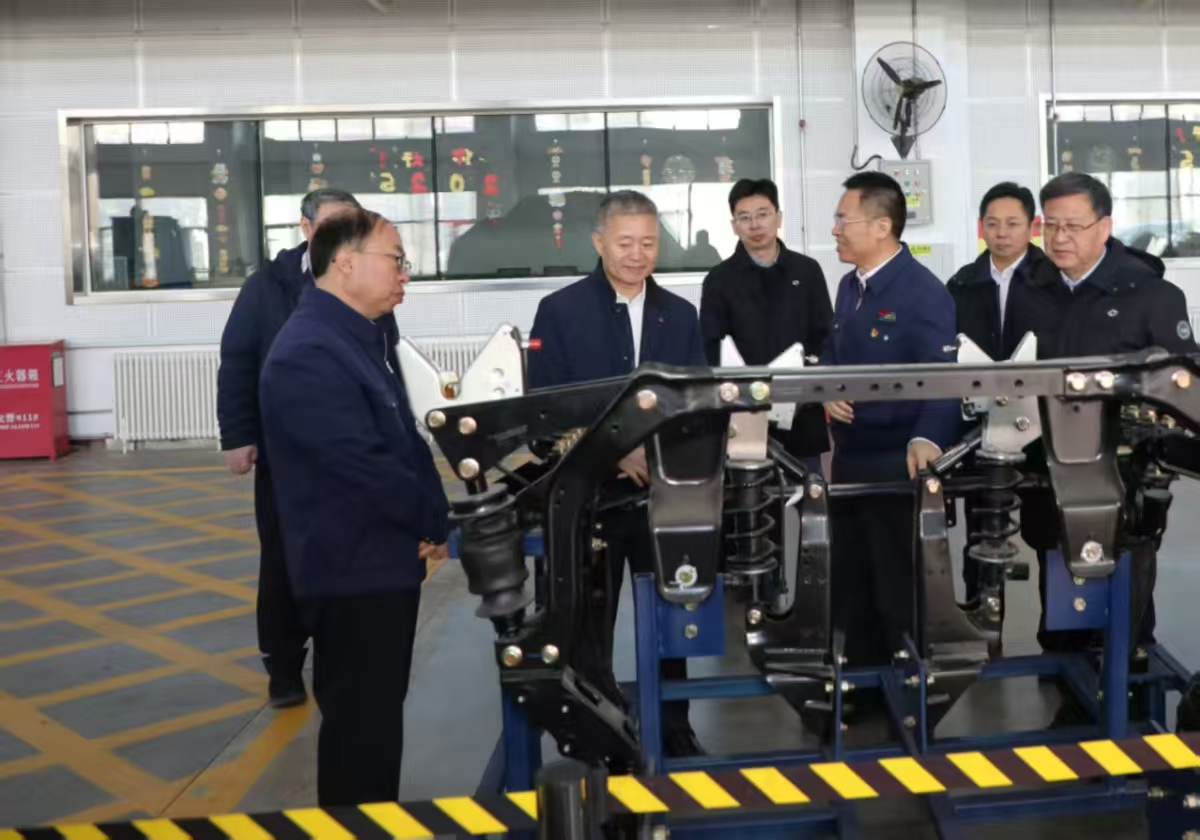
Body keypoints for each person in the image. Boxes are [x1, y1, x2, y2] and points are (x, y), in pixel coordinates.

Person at [259, 209, 449, 807]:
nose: (404, 275)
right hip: (352, 572)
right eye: (396, 260)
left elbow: (404, 441)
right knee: (360, 731)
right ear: (345, 263)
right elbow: (362, 467)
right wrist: (430, 520)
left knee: (375, 721)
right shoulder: (310, 351)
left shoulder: (356, 335)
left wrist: (433, 517)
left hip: (379, 561)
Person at [527, 190, 707, 757]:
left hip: (661, 499)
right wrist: (612, 452)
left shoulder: (680, 314)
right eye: (625, 242)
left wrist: (656, 455)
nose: (637, 254)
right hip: (589, 500)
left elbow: (694, 403)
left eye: (648, 243)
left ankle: (674, 726)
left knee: (671, 617)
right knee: (589, 623)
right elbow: (545, 410)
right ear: (599, 242)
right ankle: (598, 732)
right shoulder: (560, 312)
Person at [1007, 172, 1195, 656]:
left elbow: (1183, 388)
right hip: (1047, 466)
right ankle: (1064, 670)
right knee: (1058, 587)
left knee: (1122, 599)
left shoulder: (1151, 295)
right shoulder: (1031, 289)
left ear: (1105, 227)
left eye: (1073, 226)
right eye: (1051, 226)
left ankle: (1125, 672)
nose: (1059, 238)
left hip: (1123, 476)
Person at [217, 188, 363, 708]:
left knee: (345, 557)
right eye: (332, 225)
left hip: (350, 453)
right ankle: (283, 668)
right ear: (305, 228)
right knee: (283, 561)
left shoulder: (364, 281)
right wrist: (238, 435)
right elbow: (237, 360)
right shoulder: (268, 286)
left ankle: (338, 661)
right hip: (285, 455)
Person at [820, 171, 960, 675]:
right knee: (851, 577)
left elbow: (943, 376)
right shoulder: (848, 286)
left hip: (897, 460)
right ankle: (859, 683)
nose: (835, 229)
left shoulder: (923, 292)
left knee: (895, 580)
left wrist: (926, 439)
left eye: (844, 219)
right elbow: (834, 354)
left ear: (882, 226)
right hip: (850, 457)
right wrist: (828, 389)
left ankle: (909, 685)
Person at [947, 182, 1056, 602]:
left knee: (1049, 532)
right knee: (982, 531)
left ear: (1032, 226)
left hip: (1043, 426)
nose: (1002, 233)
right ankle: (982, 619)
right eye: (992, 224)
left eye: (1012, 223)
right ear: (981, 228)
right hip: (980, 426)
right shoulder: (962, 283)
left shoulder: (1056, 280)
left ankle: (1056, 631)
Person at [700, 178, 833, 472]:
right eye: (744, 218)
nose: (755, 225)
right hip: (743, 413)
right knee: (749, 496)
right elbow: (711, 349)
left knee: (809, 490)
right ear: (734, 225)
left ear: (778, 217)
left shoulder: (807, 271)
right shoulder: (719, 280)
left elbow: (825, 336)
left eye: (762, 214)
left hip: (801, 410)